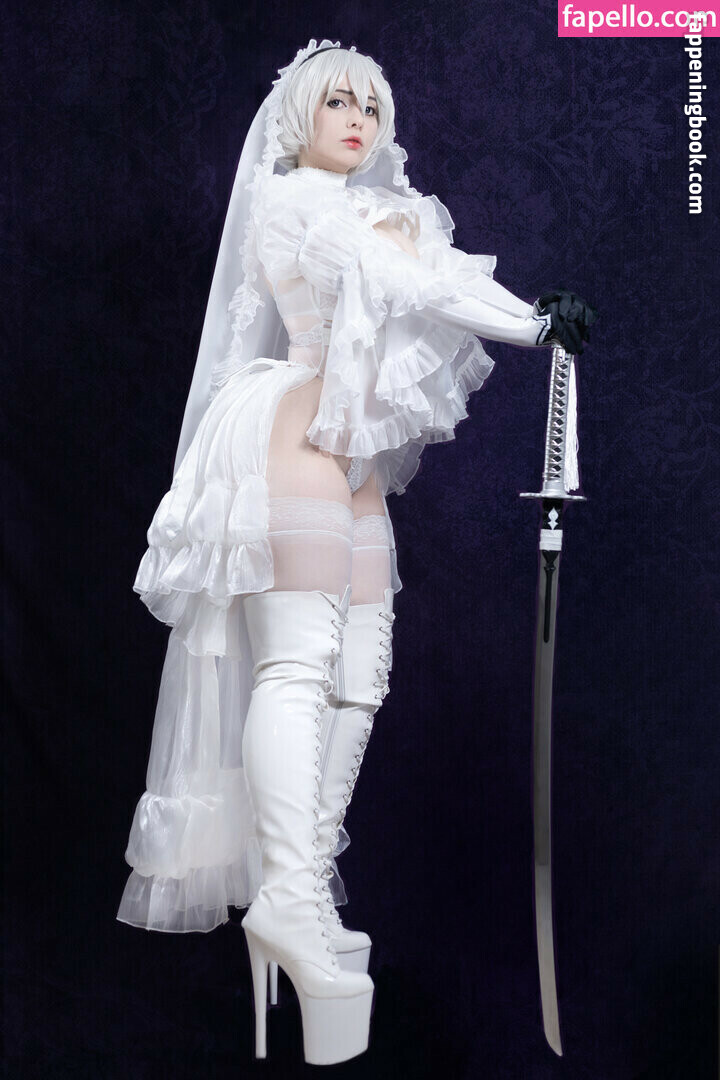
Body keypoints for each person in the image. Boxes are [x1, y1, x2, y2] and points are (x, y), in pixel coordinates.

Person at [116, 38, 596, 1065]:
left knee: (361, 674)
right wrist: (530, 332)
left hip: (348, 457)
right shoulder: (295, 203)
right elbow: (406, 284)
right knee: (297, 664)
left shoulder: (377, 208)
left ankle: (301, 891)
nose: (359, 120)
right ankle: (288, 899)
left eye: (371, 107)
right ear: (300, 114)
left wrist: (537, 318)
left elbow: (435, 275)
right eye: (338, 102)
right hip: (292, 434)